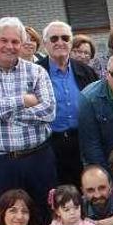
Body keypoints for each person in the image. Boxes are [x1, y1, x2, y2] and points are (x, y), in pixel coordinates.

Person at [0, 17, 56, 222]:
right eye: (3, 40)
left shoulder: (36, 71)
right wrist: (24, 100)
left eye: (15, 42)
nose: (9, 46)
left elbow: (49, 111)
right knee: (5, 218)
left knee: (44, 213)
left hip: (38, 158)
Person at [37, 21, 98, 188]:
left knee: (86, 190)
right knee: (57, 194)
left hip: (82, 142)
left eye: (65, 38)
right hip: (50, 145)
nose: (60, 42)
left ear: (71, 42)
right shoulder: (35, 73)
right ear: (45, 44)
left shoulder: (86, 72)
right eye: (54, 38)